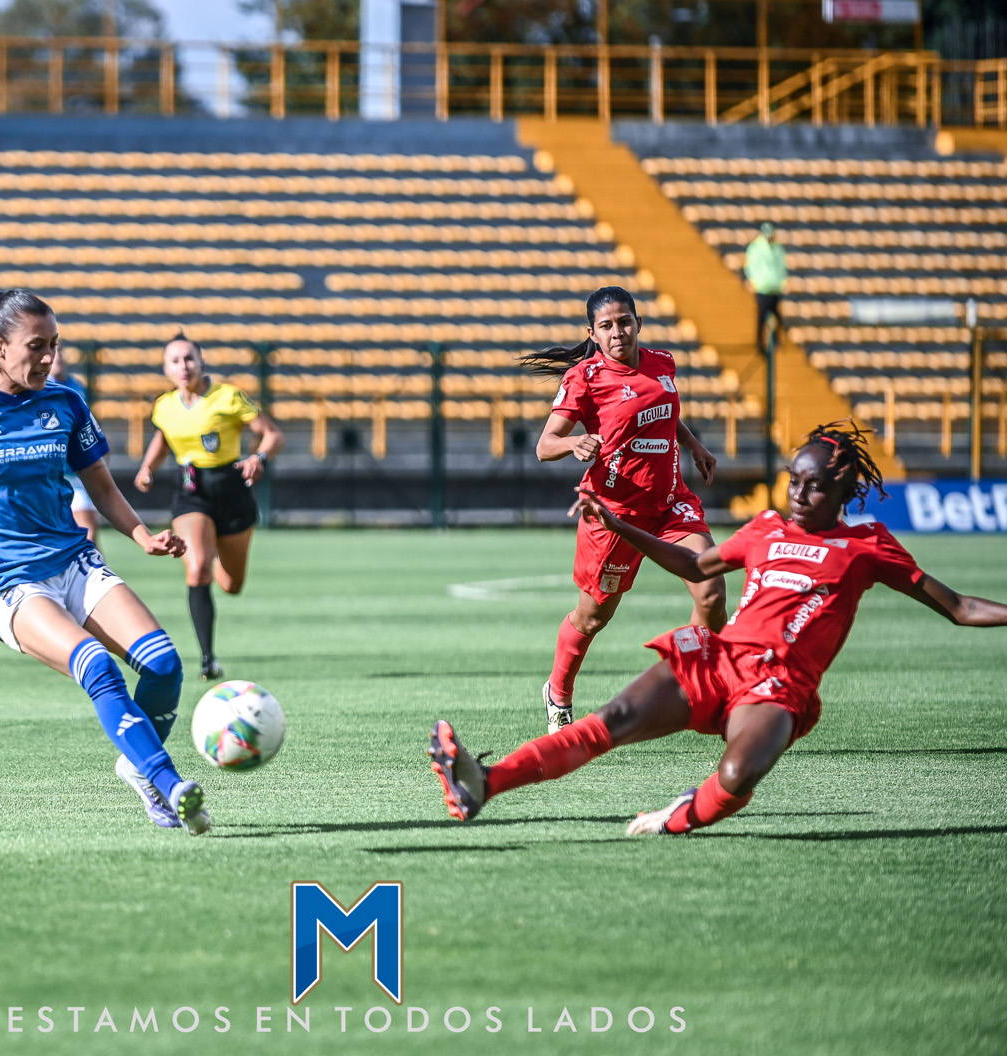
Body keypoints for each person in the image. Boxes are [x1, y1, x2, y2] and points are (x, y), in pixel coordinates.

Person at [429, 421, 1007, 835]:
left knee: (736, 773)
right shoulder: (765, 528)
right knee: (612, 720)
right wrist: (618, 524)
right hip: (716, 659)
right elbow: (694, 565)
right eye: (794, 481)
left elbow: (959, 607)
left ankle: (677, 817)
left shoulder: (867, 547)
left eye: (814, 485)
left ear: (844, 489)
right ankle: (484, 782)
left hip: (777, 688)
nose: (799, 494)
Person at [0, 289, 212, 836]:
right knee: (97, 666)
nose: (49, 357)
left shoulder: (67, 403)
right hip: (8, 583)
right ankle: (168, 785)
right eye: (37, 346)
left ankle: (137, 765)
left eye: (54, 344)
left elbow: (101, 484)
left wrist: (142, 536)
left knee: (165, 664)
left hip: (75, 562)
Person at [521, 286, 724, 733]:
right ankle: (558, 691)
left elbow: (662, 409)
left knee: (711, 592)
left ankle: (695, 687)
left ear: (638, 323)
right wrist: (575, 442)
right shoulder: (585, 378)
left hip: (670, 504)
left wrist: (692, 444)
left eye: (624, 322)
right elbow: (544, 445)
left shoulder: (662, 362)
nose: (618, 332)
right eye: (607, 326)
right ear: (592, 333)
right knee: (593, 616)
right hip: (613, 515)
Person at [134, 332, 284, 681]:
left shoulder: (228, 396)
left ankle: (211, 548)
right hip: (191, 492)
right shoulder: (164, 405)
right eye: (175, 360)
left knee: (231, 585)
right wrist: (147, 468)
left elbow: (273, 434)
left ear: (201, 361)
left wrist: (258, 457)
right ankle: (207, 659)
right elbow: (163, 437)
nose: (183, 366)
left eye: (189, 358)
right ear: (165, 368)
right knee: (198, 568)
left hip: (232, 491)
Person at [49, 344, 99, 544]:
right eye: (53, 351)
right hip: (49, 476)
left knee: (89, 535)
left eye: (60, 350)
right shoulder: (40, 389)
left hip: (77, 474)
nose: (57, 356)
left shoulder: (77, 387)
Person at [744, 221, 788, 355]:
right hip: (762, 288)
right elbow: (751, 266)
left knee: (777, 316)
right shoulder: (756, 248)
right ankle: (759, 342)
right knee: (762, 316)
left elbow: (782, 266)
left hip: (774, 287)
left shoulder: (778, 248)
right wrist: (754, 282)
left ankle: (775, 339)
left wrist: (782, 282)